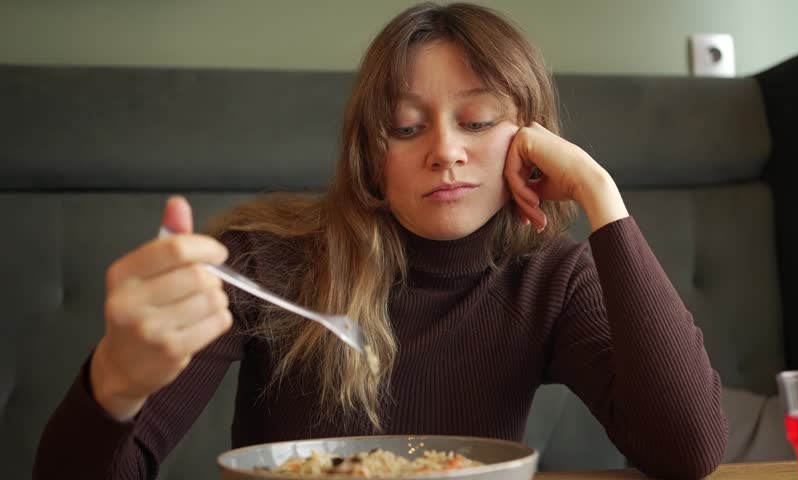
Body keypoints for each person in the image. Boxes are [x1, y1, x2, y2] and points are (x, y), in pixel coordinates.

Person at [34, 3, 727, 479]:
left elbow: (687, 449)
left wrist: (600, 194)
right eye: (406, 127)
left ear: (532, 141)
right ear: (371, 155)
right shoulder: (263, 262)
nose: (446, 151)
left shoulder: (550, 279)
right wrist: (115, 384)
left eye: (480, 120)